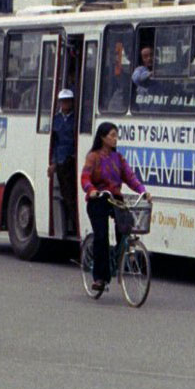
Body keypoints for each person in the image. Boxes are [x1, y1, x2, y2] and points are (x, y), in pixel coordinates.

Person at [81, 122, 151, 291]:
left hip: (115, 199)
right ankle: (99, 278)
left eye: (116, 135)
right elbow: (85, 178)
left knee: (125, 227)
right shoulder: (93, 157)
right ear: (102, 137)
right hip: (98, 199)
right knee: (102, 236)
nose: (114, 139)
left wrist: (143, 191)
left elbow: (130, 177)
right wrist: (91, 190)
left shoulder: (118, 158)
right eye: (111, 135)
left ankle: (119, 258)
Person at [48, 89, 78, 235]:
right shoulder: (56, 119)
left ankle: (75, 224)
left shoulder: (76, 119)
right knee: (65, 195)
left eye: (68, 101)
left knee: (72, 196)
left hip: (71, 160)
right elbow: (54, 143)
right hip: (60, 161)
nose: (66, 103)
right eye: (63, 101)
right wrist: (53, 163)